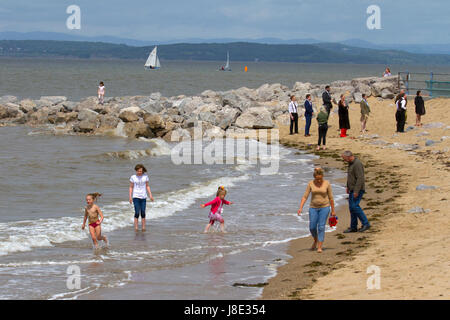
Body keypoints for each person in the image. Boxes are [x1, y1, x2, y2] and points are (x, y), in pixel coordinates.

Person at [297, 167, 336, 253]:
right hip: (313, 208)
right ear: (314, 177)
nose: (318, 181)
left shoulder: (327, 183)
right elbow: (305, 196)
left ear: (322, 176)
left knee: (321, 227)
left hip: (325, 207)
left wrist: (333, 210)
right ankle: (315, 239)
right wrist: (300, 208)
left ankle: (319, 246)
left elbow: (331, 198)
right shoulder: (310, 183)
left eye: (320, 179)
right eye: (316, 179)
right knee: (312, 227)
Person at [341, 151, 370, 233]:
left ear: (349, 156)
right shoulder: (350, 163)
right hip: (352, 189)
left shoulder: (357, 164)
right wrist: (348, 187)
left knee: (354, 206)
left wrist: (356, 191)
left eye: (344, 158)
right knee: (351, 208)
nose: (344, 160)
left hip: (357, 189)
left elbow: (360, 178)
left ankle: (366, 223)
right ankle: (353, 227)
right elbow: (350, 176)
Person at [129, 164, 154, 232]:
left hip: (143, 197)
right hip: (135, 196)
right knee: (137, 212)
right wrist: (130, 197)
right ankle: (136, 228)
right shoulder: (133, 177)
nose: (139, 172)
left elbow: (147, 186)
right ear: (136, 171)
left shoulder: (145, 177)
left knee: (143, 212)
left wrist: (150, 195)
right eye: (138, 171)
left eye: (140, 171)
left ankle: (143, 227)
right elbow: (131, 187)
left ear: (142, 171)